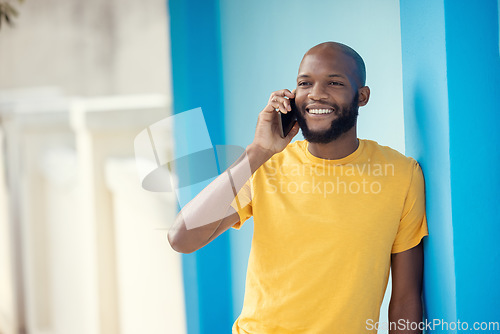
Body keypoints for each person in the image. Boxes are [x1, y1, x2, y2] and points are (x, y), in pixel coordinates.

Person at [168, 41, 428, 334]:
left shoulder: (401, 175)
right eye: (305, 83)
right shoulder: (264, 166)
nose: (316, 93)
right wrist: (257, 151)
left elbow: (406, 297)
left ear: (362, 96)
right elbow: (182, 239)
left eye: (334, 82)